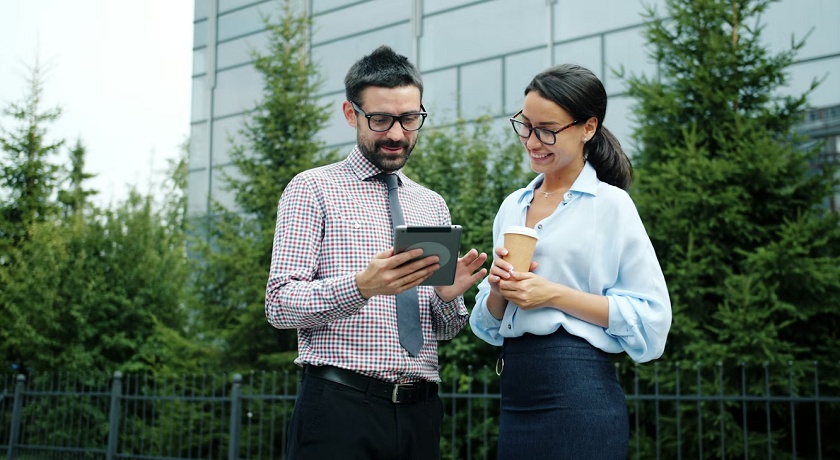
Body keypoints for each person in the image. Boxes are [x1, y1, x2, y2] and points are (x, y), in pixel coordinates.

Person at [265, 45, 488, 460]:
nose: (398, 134)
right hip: (339, 409)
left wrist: (446, 297)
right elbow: (278, 304)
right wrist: (360, 287)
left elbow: (442, 330)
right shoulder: (312, 189)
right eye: (381, 119)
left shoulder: (431, 204)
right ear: (351, 114)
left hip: (420, 412)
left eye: (410, 119)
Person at [469, 63, 672, 459]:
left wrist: (553, 295)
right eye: (525, 125)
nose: (531, 140)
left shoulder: (611, 206)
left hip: (580, 393)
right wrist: (496, 290)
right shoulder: (512, 206)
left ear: (588, 128)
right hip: (516, 393)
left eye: (547, 129)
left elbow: (651, 323)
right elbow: (487, 326)